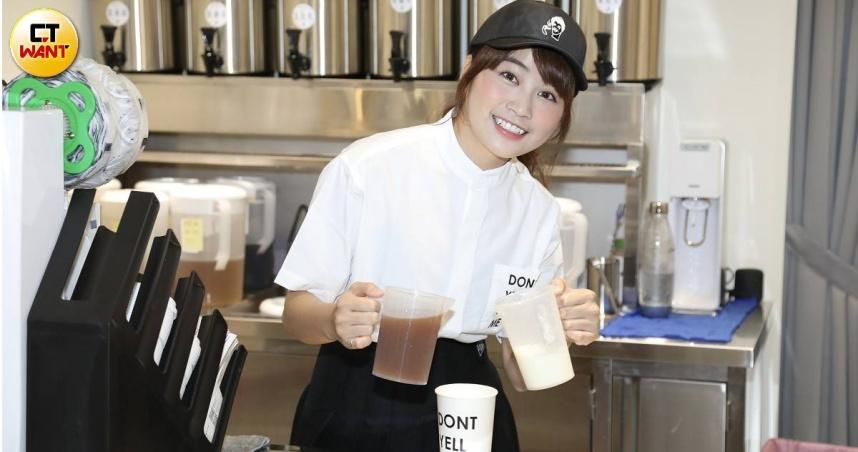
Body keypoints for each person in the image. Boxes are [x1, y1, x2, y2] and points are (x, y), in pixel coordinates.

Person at [276, 1, 599, 451]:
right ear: (470, 68)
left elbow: (524, 373)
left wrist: (558, 332)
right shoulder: (369, 167)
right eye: (510, 76)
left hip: (471, 406)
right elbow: (296, 313)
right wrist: (334, 319)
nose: (522, 107)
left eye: (547, 95)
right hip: (357, 397)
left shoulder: (538, 211)